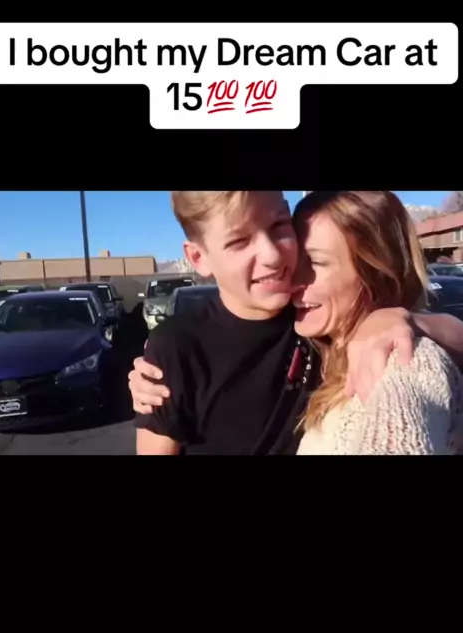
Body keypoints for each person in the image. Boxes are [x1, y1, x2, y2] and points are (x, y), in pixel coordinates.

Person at [133, 191, 463, 456]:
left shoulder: (322, 324)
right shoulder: (177, 347)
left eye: (278, 225)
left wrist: (402, 319)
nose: (274, 257)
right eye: (239, 241)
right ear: (198, 258)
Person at [291, 191, 462, 454]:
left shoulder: (406, 359)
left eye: (315, 263)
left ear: (375, 274)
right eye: (293, 260)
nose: (293, 280)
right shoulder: (325, 351)